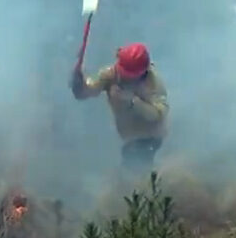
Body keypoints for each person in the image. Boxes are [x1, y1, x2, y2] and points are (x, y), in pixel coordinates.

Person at [71, 42, 169, 170]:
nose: (123, 77)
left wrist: (133, 101)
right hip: (128, 136)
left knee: (134, 164)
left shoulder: (154, 83)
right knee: (132, 162)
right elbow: (87, 91)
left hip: (150, 136)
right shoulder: (111, 74)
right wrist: (78, 84)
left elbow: (158, 114)